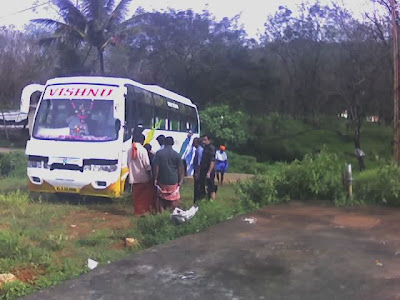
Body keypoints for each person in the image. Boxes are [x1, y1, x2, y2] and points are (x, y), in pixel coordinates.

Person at [153, 136, 184, 212]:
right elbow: (180, 169)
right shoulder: (177, 155)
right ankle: (173, 213)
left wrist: (155, 178)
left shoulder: (159, 154)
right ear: (173, 143)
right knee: (174, 199)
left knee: (161, 198)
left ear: (164, 143)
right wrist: (180, 180)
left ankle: (162, 215)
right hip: (173, 181)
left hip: (162, 180)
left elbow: (156, 167)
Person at [127, 133, 155, 216]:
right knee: (145, 197)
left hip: (133, 177)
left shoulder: (129, 150)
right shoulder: (142, 150)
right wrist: (150, 174)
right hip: (143, 177)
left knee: (137, 196)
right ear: (142, 141)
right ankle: (144, 211)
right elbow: (147, 165)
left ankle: (137, 211)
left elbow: (128, 163)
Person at [199, 134, 217, 200]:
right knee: (204, 186)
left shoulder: (211, 148)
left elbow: (212, 161)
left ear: (209, 140)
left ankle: (213, 201)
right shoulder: (204, 147)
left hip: (209, 170)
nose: (203, 141)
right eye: (203, 140)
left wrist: (209, 172)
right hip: (204, 169)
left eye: (205, 140)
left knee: (211, 186)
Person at [193, 137, 205, 202]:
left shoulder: (199, 150)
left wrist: (197, 173)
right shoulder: (198, 150)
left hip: (199, 171)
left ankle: (197, 201)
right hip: (198, 170)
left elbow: (199, 164)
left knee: (198, 187)